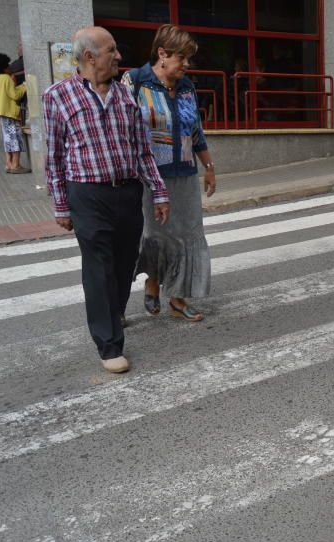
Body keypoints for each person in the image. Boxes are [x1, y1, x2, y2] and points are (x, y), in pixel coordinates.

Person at [43, 26, 170, 373]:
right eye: (111, 50)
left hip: (127, 191)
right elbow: (53, 156)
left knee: (125, 262)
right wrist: (60, 204)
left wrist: (158, 191)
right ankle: (109, 343)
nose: (118, 56)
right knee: (98, 267)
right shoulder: (57, 96)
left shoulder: (127, 96)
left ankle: (113, 312)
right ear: (89, 57)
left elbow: (143, 151)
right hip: (87, 194)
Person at [122, 24, 215, 323]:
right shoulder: (135, 82)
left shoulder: (187, 87)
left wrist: (209, 167)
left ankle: (176, 296)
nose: (187, 65)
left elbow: (196, 131)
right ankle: (151, 281)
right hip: (148, 176)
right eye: (182, 58)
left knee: (186, 235)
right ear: (162, 54)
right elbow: (120, 130)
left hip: (184, 174)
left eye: (189, 59)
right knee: (152, 235)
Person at [0, 52, 29, 174]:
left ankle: (8, 164)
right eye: (8, 65)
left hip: (1, 114)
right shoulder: (6, 78)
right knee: (15, 139)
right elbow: (14, 95)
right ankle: (16, 165)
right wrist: (24, 86)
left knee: (7, 140)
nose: (10, 67)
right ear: (4, 67)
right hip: (10, 113)